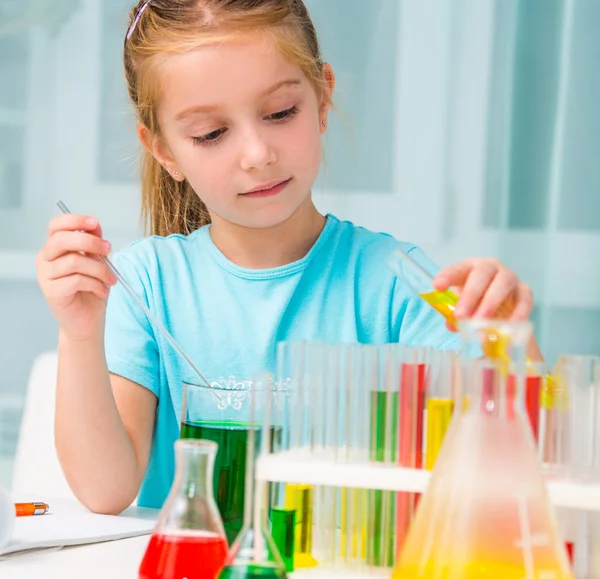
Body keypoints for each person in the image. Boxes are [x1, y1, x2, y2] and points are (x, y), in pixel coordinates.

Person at [36, 0, 538, 516]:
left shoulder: (396, 283)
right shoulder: (144, 285)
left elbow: (522, 458)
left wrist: (509, 337)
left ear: (322, 98)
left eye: (280, 113)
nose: (257, 153)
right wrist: (78, 333)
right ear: (164, 151)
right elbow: (105, 490)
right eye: (211, 133)